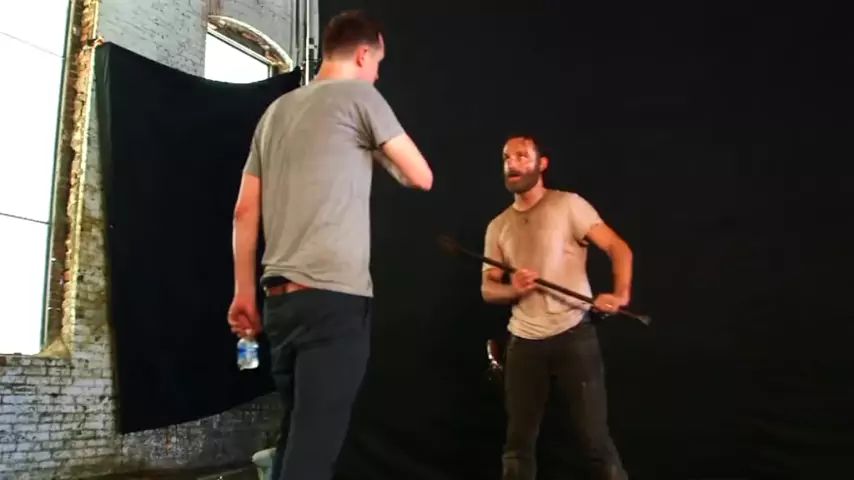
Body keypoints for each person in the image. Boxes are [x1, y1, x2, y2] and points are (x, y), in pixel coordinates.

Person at [227, 10, 434, 480]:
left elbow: (244, 212)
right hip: (333, 302)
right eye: (377, 64)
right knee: (312, 455)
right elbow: (421, 176)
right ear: (363, 54)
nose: (377, 75)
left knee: (296, 439)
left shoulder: (275, 113)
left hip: (279, 305)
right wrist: (375, 147)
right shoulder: (361, 96)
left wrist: (243, 294)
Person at [481, 135, 633, 480]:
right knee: (517, 446)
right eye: (506, 158)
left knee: (595, 444)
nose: (512, 163)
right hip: (523, 343)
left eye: (522, 156)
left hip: (573, 336)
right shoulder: (498, 226)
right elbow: (488, 289)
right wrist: (513, 289)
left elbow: (619, 248)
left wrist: (620, 295)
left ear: (542, 164)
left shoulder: (568, 205)